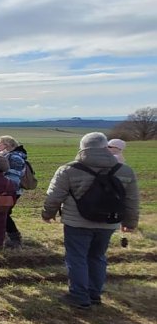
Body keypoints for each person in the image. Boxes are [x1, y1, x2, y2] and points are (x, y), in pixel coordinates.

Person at [43, 132, 140, 309]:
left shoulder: (68, 170)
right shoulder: (125, 171)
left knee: (77, 258)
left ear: (82, 148)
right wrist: (130, 223)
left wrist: (47, 214)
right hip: (109, 222)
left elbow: (54, 197)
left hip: (77, 222)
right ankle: (94, 294)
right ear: (105, 147)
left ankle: (79, 296)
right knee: (97, 257)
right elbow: (132, 200)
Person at [0, 136, 27, 248]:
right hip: (7, 190)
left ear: (6, 145)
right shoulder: (9, 156)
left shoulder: (15, 158)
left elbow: (14, 178)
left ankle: (15, 239)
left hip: (10, 191)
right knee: (3, 213)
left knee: (3, 213)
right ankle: (5, 237)